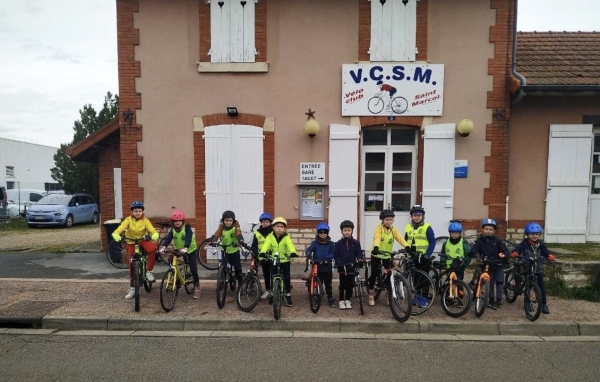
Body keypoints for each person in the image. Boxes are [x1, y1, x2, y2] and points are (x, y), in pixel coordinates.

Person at [111, 201, 160, 299]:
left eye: (140, 211)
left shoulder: (145, 220)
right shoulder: (128, 220)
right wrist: (116, 234)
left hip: (143, 240)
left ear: (142, 212)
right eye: (135, 211)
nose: (138, 213)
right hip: (131, 242)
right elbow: (120, 229)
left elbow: (152, 230)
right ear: (132, 212)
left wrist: (154, 234)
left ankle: (149, 271)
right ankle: (132, 288)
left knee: (153, 249)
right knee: (132, 264)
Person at [511, 222, 555, 315]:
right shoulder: (524, 243)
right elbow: (518, 249)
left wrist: (549, 255)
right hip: (527, 268)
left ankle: (544, 304)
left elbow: (545, 251)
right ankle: (527, 303)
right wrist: (515, 252)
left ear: (539, 234)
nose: (534, 236)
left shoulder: (541, 244)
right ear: (527, 234)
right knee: (528, 286)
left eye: (536, 234)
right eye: (532, 234)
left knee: (541, 287)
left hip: (538, 269)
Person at [368, 209, 410, 306]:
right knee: (374, 274)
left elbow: (399, 238)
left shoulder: (393, 229)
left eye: (391, 220)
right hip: (377, 254)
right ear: (382, 220)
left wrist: (407, 247)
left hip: (387, 255)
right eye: (387, 220)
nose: (389, 221)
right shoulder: (378, 228)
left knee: (389, 273)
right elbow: (377, 237)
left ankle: (388, 293)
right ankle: (371, 293)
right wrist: (376, 247)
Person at [158, 209, 200, 299]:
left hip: (190, 250)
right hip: (179, 250)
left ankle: (197, 288)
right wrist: (164, 247)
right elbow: (168, 238)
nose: (177, 223)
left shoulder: (187, 228)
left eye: (179, 221)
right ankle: (173, 275)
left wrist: (186, 247)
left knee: (193, 269)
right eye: (175, 221)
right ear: (172, 222)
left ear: (182, 221)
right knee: (171, 259)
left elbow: (188, 238)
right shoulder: (173, 230)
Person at [470, 218, 509, 310]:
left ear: (494, 230)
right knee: (490, 282)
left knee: (499, 282)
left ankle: (498, 300)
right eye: (486, 229)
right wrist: (472, 253)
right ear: (483, 229)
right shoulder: (480, 241)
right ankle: (491, 299)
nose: (488, 231)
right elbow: (474, 250)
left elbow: (506, 251)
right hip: (487, 265)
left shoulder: (497, 241)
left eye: (491, 229)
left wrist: (504, 255)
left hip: (498, 264)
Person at [259, 217, 297, 307]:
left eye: (281, 226)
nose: (279, 228)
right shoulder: (270, 237)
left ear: (284, 228)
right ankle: (273, 293)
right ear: (273, 227)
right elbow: (266, 245)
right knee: (273, 276)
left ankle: (288, 294)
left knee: (287, 277)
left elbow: (290, 245)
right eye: (277, 226)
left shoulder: (286, 237)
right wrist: (263, 252)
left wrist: (292, 252)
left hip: (285, 260)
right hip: (274, 259)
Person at [404, 205, 436, 307]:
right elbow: (405, 241)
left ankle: (423, 299)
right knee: (414, 279)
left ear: (423, 216)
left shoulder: (427, 227)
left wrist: (427, 255)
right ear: (411, 216)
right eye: (414, 215)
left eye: (419, 215)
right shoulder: (408, 226)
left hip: (423, 257)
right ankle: (417, 297)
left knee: (423, 279)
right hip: (412, 256)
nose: (417, 217)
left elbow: (432, 242)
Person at [207, 210, 248, 286]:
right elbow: (217, 234)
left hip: (234, 250)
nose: (228, 222)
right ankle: (222, 285)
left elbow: (238, 233)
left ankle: (240, 284)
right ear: (223, 220)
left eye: (230, 220)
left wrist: (241, 240)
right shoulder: (221, 226)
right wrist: (211, 240)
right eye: (226, 220)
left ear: (233, 220)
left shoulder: (236, 225)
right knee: (223, 267)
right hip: (225, 250)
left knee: (237, 267)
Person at [334, 220, 364, 310]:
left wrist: (360, 259)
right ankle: (341, 300)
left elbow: (359, 253)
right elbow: (336, 255)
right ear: (342, 231)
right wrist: (339, 262)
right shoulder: (338, 243)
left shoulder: (356, 243)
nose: (347, 232)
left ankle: (347, 299)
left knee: (350, 284)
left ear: (352, 231)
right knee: (342, 284)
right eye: (345, 230)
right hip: (342, 267)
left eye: (349, 230)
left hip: (351, 266)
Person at [305, 222, 336, 307]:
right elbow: (309, 249)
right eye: (321, 232)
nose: (323, 234)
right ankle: (318, 297)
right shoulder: (314, 243)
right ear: (318, 233)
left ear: (327, 233)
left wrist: (328, 258)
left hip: (327, 267)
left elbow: (333, 253)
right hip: (317, 266)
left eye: (325, 232)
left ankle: (330, 298)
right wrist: (308, 254)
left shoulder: (331, 244)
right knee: (318, 283)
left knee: (328, 284)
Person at [251, 212, 274, 300]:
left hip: (272, 257)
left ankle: (274, 290)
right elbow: (254, 245)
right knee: (266, 274)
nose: (265, 223)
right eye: (264, 222)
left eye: (267, 222)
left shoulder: (273, 232)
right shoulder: (257, 233)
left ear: (270, 223)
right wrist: (255, 253)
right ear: (261, 223)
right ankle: (268, 290)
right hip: (262, 257)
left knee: (274, 274)